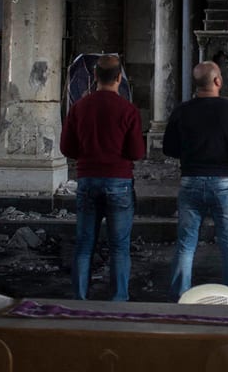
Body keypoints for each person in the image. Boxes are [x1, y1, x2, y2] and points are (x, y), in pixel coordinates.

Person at [163, 60, 228, 300]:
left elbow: (168, 148)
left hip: (190, 180)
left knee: (186, 245)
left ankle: (180, 298)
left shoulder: (182, 111)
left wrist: (191, 155)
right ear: (218, 81)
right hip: (224, 182)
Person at [59, 54, 146, 301]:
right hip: (118, 182)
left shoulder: (79, 108)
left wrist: (88, 155)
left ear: (94, 76)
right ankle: (118, 300)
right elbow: (137, 152)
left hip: (87, 180)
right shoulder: (128, 110)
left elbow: (66, 148)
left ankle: (80, 298)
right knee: (119, 247)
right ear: (119, 78)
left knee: (84, 245)